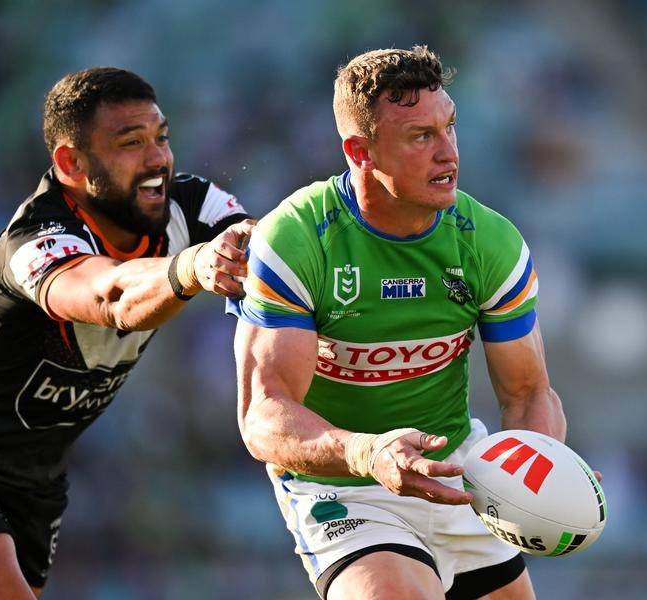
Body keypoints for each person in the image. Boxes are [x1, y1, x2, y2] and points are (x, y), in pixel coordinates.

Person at [0, 67, 253, 599]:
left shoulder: (196, 208)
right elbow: (109, 296)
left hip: (38, 489)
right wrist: (190, 268)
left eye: (161, 137)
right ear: (70, 162)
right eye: (130, 143)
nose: (158, 158)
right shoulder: (31, 242)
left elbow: (279, 269)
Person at [229, 46, 566, 599]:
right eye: (420, 137)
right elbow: (263, 417)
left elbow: (529, 392)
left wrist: (539, 472)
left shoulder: (491, 242)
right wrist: (367, 451)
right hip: (343, 485)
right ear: (360, 151)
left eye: (449, 127)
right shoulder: (295, 238)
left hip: (456, 474)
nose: (448, 153)